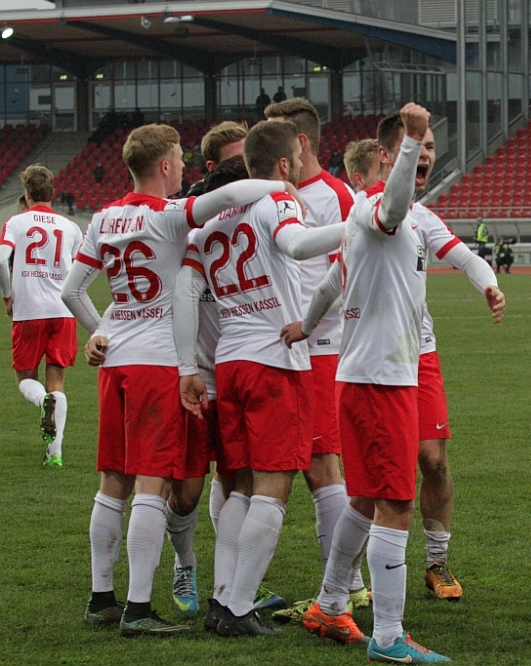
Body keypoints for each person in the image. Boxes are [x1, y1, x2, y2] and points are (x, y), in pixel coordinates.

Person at [61, 123, 295, 636]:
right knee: (154, 483)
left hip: (117, 360)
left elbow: (71, 291)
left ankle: (102, 597)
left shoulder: (103, 217)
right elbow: (228, 196)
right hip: (158, 361)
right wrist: (282, 184)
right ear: (165, 165)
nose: (183, 169)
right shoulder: (169, 216)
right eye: (179, 161)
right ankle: (139, 609)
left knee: (112, 482)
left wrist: (101, 331)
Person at [290, 103, 477, 664]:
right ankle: (390, 638)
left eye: (427, 150)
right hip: (379, 380)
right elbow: (391, 208)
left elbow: (332, 281)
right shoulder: (376, 208)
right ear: (386, 156)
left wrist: (305, 325)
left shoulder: (381, 220)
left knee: (366, 497)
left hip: (373, 375)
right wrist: (414, 135)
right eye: (412, 150)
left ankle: (328, 604)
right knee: (395, 504)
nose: (422, 159)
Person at [173, 120, 348, 637]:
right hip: (275, 358)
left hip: (228, 361)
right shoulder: (277, 200)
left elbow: (186, 294)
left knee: (241, 486)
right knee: (273, 489)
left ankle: (222, 597)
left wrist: (188, 366)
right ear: (284, 163)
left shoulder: (206, 224)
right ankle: (237, 607)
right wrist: (358, 225)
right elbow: (297, 246)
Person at [264, 96, 358, 589]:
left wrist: (311, 321)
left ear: (299, 142)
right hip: (271, 348)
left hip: (318, 348)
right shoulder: (269, 195)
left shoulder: (335, 196)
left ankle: (345, 586)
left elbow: (348, 272)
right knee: (259, 470)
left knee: (322, 465)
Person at [0, 165, 84, 467]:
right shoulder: (71, 227)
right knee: (56, 380)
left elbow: (1, 259)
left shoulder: (16, 222)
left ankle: (41, 400)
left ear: (26, 193)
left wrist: (7, 295)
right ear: (53, 193)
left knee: (25, 379)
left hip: (29, 311)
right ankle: (54, 453)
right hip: (63, 311)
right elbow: (83, 269)